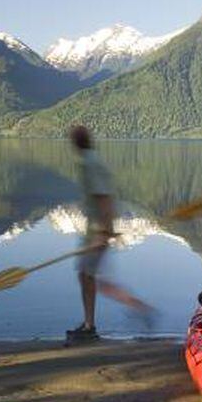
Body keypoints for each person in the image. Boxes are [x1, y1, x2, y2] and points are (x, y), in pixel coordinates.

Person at [66, 125, 153, 344]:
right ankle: (89, 324)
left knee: (92, 278)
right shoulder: (90, 160)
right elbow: (104, 198)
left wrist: (103, 232)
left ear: (76, 142)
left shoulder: (89, 163)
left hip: (97, 232)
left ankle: (138, 309)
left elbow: (104, 198)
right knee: (87, 276)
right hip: (95, 230)